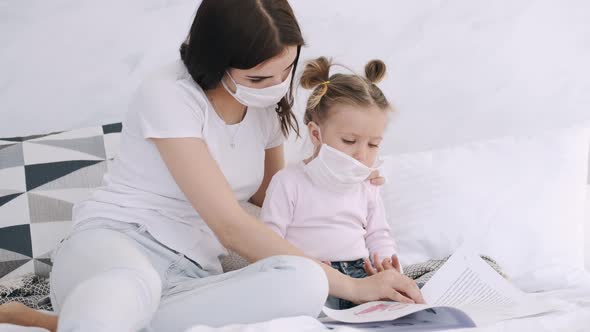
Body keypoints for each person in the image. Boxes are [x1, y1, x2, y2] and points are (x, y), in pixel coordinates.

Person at [0, 1, 423, 331]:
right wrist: (354, 287)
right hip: (119, 245)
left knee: (305, 282)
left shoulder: (266, 105)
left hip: (192, 276)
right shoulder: (168, 94)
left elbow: (269, 192)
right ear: (215, 61)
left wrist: (339, 177)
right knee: (133, 287)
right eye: (259, 79)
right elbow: (231, 227)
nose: (277, 88)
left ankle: (70, 325)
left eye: (286, 71)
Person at [261, 57, 411, 310]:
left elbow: (378, 234)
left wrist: (386, 264)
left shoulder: (367, 185)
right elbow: (268, 240)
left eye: (373, 144)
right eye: (349, 141)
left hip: (362, 273)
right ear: (316, 133)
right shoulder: (289, 181)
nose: (362, 154)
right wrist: (300, 267)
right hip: (309, 275)